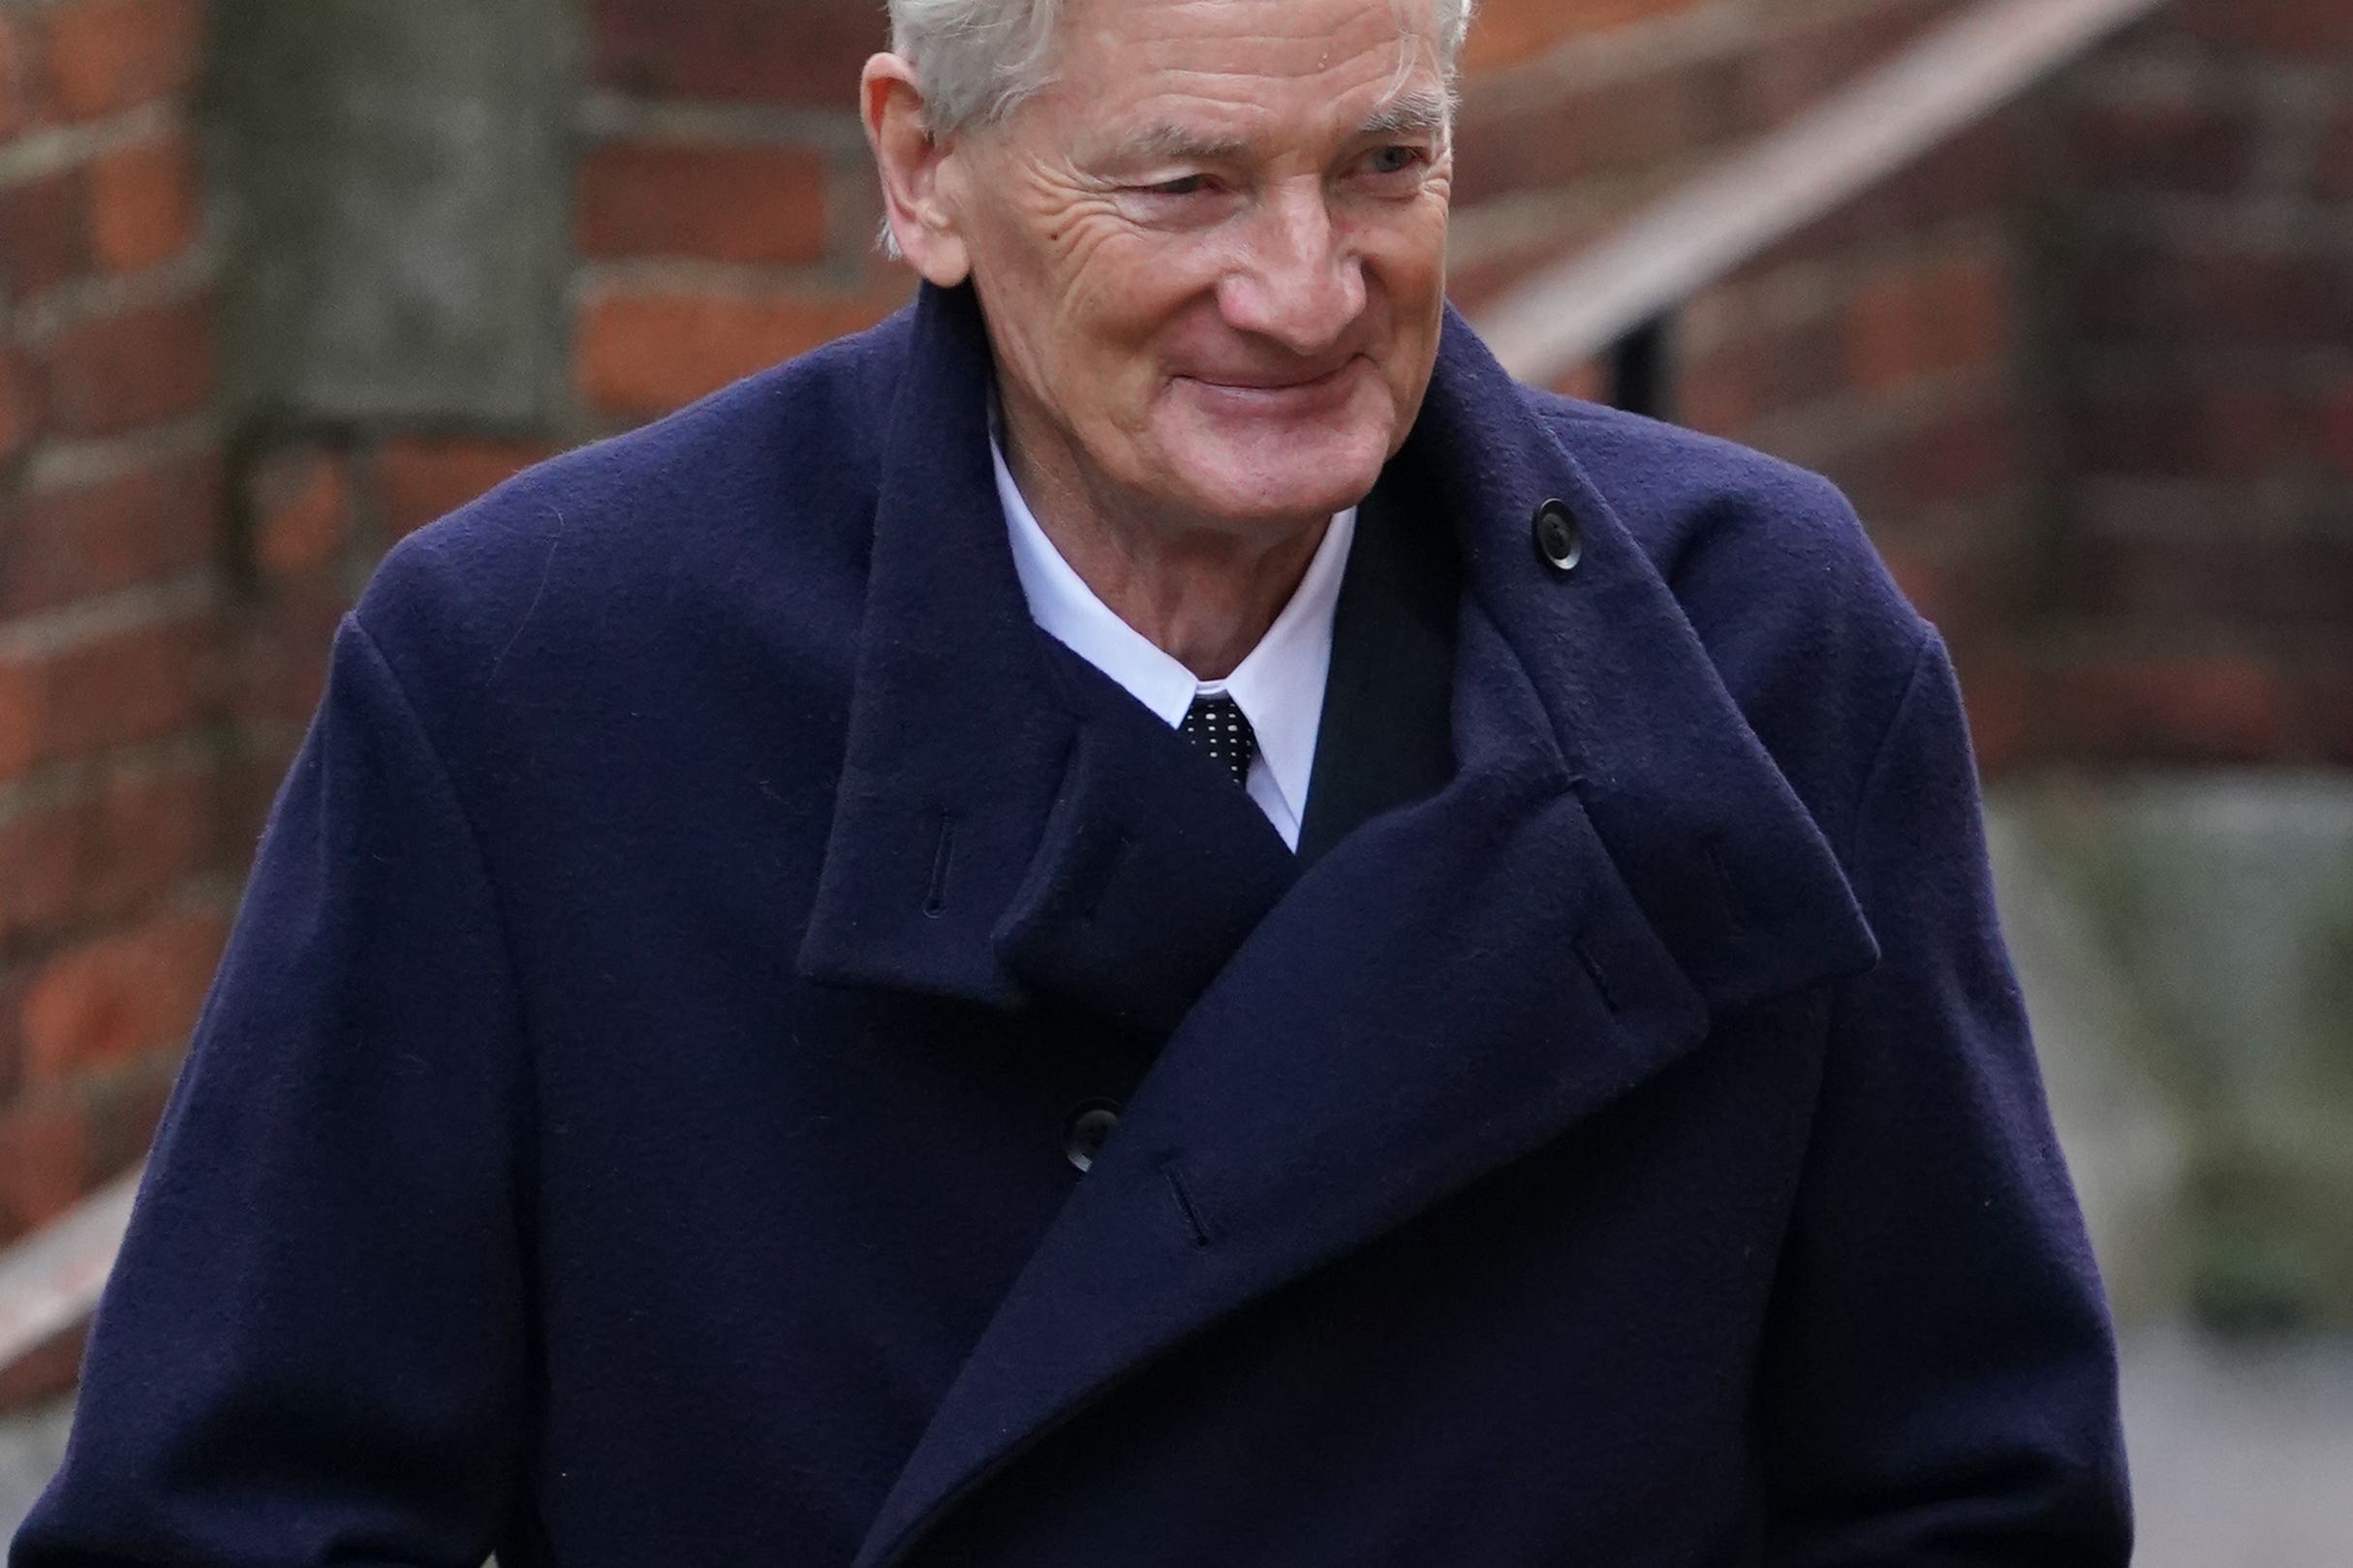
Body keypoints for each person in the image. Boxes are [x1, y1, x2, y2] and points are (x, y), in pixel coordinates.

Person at [14, 0, 2132, 1562]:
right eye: (1189, 181)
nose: (1306, 291)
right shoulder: (540, 688)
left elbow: (1973, 1491)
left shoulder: (1768, 656)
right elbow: (226, 1530)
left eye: (1383, 164)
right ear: (922, 171)